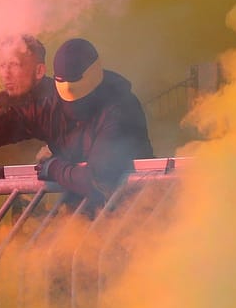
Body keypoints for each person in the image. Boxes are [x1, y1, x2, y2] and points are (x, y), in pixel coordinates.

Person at [38, 37, 153, 213]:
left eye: (74, 79)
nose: (68, 88)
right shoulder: (78, 107)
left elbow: (98, 177)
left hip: (128, 216)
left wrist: (55, 168)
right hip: (94, 218)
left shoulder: (119, 109)